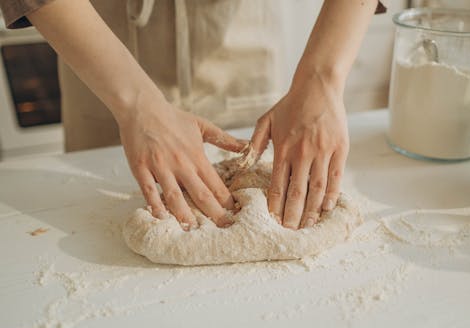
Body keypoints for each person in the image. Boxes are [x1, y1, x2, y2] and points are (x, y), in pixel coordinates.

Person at [0, 0, 386, 230]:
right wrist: (134, 105)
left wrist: (322, 76)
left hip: (240, 40)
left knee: (268, 185)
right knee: (100, 214)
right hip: (100, 45)